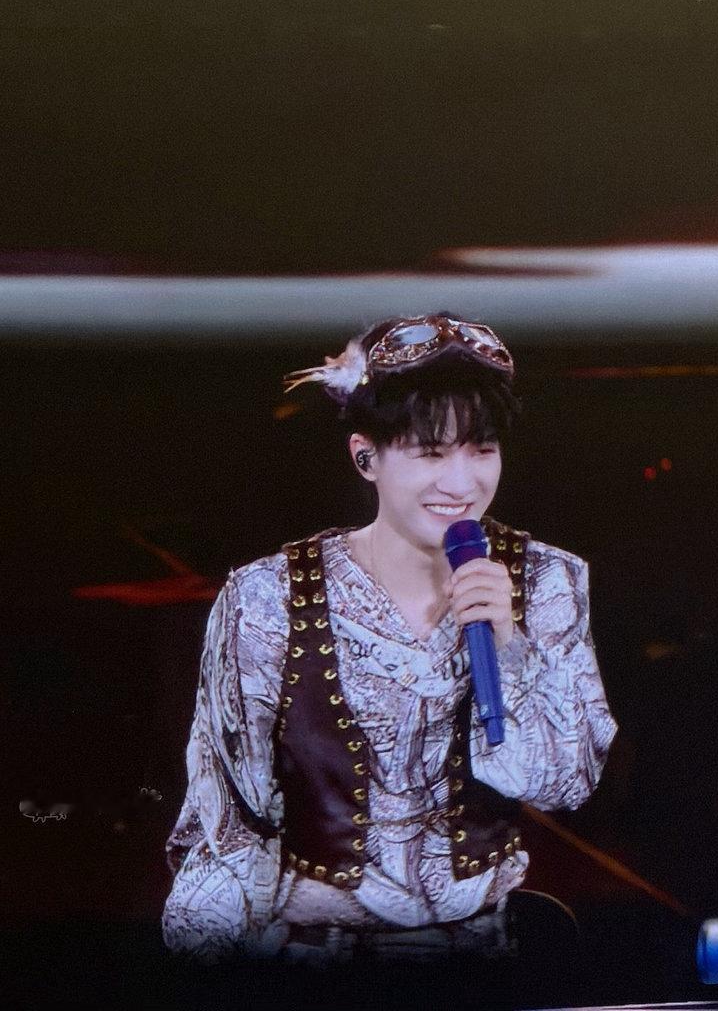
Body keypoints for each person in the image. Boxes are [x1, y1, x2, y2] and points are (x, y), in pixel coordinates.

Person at [160, 314, 617, 1005]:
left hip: (482, 964)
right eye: (430, 453)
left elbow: (563, 784)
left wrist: (509, 646)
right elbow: (227, 825)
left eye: (482, 449)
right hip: (311, 969)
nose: (461, 482)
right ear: (365, 457)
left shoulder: (545, 581)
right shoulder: (266, 597)